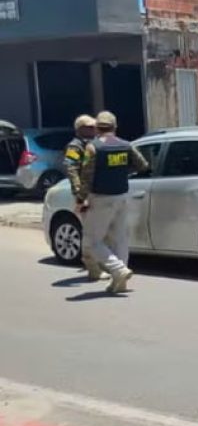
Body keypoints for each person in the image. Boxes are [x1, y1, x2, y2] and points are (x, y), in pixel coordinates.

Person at [78, 111, 149, 294]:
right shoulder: (126, 145)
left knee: (93, 241)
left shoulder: (93, 148)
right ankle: (120, 282)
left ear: (97, 128)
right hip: (122, 197)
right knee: (120, 240)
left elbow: (86, 176)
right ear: (115, 127)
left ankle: (118, 270)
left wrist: (80, 199)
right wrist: (122, 171)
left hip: (100, 198)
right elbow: (143, 165)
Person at [64, 114, 105, 281]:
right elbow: (71, 168)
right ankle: (92, 267)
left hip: (100, 192)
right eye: (89, 127)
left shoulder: (95, 144)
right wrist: (80, 194)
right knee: (89, 232)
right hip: (86, 194)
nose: (94, 129)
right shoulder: (75, 147)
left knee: (101, 231)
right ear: (80, 129)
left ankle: (99, 264)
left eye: (94, 126)